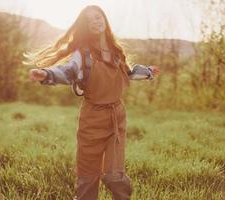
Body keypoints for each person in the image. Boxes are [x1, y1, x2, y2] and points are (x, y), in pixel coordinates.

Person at [24, 5, 159, 200]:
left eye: (98, 17)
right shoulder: (83, 54)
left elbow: (128, 73)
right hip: (92, 118)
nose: (95, 21)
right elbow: (69, 71)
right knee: (87, 176)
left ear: (104, 19)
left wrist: (147, 72)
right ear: (85, 27)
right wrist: (47, 74)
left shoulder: (116, 51)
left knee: (115, 176)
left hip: (116, 117)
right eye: (89, 21)